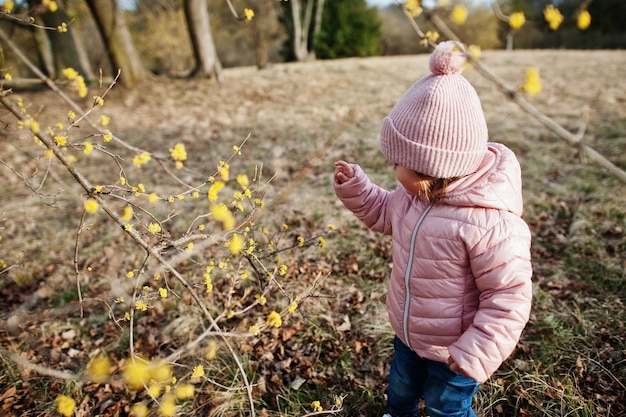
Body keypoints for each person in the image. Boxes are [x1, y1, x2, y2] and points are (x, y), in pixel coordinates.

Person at [333, 41, 533, 417]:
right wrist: (357, 188)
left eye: (398, 164)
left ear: (430, 170)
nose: (392, 170)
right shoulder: (414, 197)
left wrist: (475, 351)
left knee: (446, 407)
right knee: (401, 388)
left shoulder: (488, 222)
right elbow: (382, 212)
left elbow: (509, 297)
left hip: (455, 349)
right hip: (409, 333)